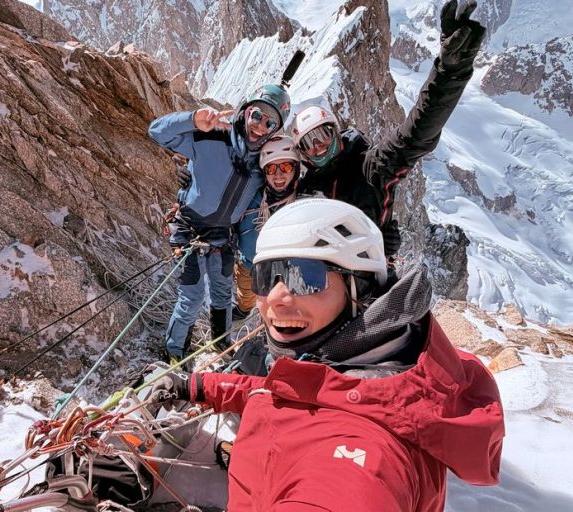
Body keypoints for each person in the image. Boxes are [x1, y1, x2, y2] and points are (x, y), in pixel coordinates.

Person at [148, 198, 505, 511]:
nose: (274, 298)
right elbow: (278, 390)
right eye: (265, 277)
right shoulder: (359, 371)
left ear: (360, 289)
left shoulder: (360, 452)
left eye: (305, 277)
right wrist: (197, 385)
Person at [290, 0, 486, 258]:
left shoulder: (371, 167)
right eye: (308, 143)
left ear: (336, 132)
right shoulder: (305, 189)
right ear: (302, 154)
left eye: (323, 135)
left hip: (369, 275)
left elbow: (415, 134)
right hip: (321, 277)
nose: (319, 146)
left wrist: (450, 72)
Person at [148, 83, 291, 364]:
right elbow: (156, 132)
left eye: (270, 122)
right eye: (257, 115)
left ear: (275, 131)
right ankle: (174, 354)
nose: (261, 126)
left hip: (223, 237)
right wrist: (192, 120)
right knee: (191, 298)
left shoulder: (261, 166)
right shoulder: (209, 137)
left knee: (222, 295)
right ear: (245, 112)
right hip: (188, 229)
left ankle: (220, 345)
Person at [233, 135, 300, 320]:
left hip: (286, 271)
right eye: (271, 168)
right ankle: (244, 309)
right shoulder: (249, 197)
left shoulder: (304, 201)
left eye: (286, 167)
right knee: (246, 294)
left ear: (296, 168)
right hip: (249, 264)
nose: (278, 175)